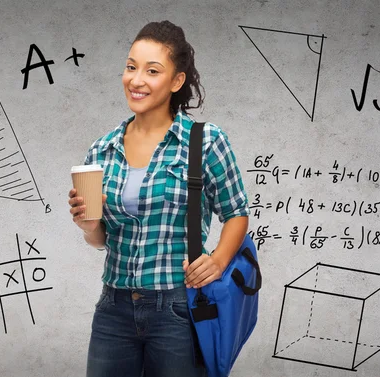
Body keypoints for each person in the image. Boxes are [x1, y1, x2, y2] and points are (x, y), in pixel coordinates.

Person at [68, 20, 250, 377]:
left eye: (152, 71)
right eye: (131, 67)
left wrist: (218, 260)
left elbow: (237, 212)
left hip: (178, 310)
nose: (136, 80)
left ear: (176, 81)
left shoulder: (204, 141)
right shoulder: (101, 150)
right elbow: (99, 240)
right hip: (113, 307)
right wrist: (89, 226)